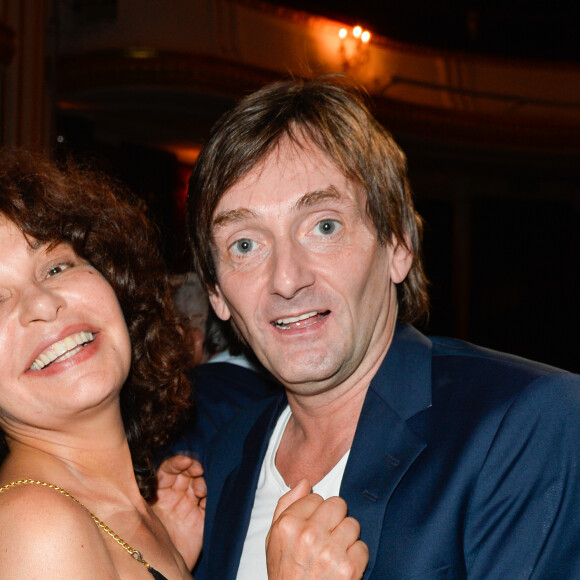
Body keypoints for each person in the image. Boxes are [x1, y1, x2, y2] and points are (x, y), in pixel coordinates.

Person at [177, 75, 580, 579]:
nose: (285, 279)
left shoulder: (527, 422)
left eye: (324, 226)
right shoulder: (231, 447)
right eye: (245, 245)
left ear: (397, 246)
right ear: (216, 293)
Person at [0, 150, 366, 580]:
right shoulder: (36, 526)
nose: (43, 303)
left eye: (57, 266)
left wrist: (168, 554)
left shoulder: (130, 517)